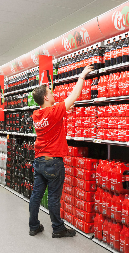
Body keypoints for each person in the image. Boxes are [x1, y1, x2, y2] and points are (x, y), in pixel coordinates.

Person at [29, 65, 94, 237]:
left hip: (39, 160)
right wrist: (82, 76)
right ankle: (58, 228)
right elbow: (74, 96)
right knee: (54, 198)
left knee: (36, 195)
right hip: (53, 162)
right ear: (45, 97)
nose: (53, 94)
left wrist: (65, 110)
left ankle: (33, 226)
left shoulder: (37, 114)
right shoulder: (53, 111)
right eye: (50, 92)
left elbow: (53, 117)